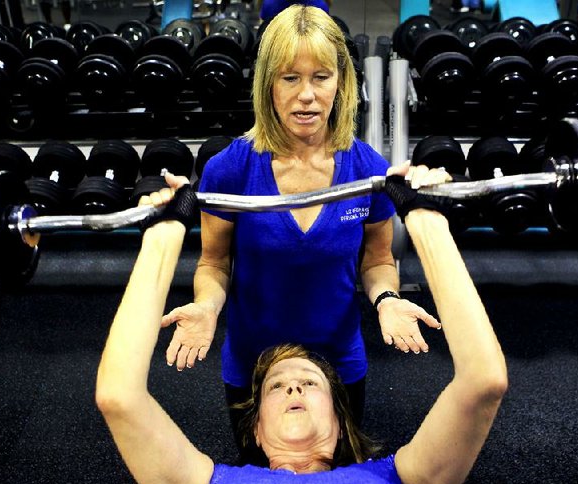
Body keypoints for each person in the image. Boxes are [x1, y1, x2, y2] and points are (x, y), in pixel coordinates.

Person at [96, 165, 508, 484]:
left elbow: (483, 384)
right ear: (254, 429)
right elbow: (119, 397)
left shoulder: (402, 481)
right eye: (277, 387)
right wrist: (162, 236)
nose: (293, 385)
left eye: (310, 384)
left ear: (342, 423)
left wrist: (426, 221)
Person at [161, 4, 440, 441]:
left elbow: (378, 261)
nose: (306, 95)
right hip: (256, 364)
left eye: (320, 77)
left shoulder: (369, 169)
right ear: (267, 84)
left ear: (341, 82)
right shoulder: (230, 169)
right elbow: (214, 263)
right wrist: (206, 307)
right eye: (290, 78)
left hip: (339, 359)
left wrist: (386, 299)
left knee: (341, 477)